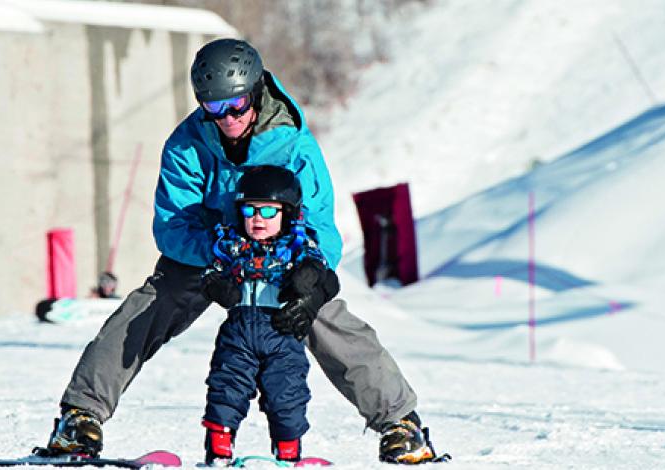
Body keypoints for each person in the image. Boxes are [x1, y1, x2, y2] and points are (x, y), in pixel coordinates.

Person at [41, 38, 447, 464]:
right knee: (148, 306)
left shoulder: (294, 147)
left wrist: (311, 270)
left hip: (283, 256)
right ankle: (79, 417)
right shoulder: (186, 146)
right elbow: (173, 227)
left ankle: (402, 424)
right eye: (214, 109)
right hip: (213, 257)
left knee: (327, 317)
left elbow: (322, 225)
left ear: (254, 93)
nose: (227, 118)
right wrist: (221, 253)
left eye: (235, 106)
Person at [201, 166, 335, 465]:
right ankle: (219, 446)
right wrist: (216, 285)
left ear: (287, 214)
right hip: (238, 333)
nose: (257, 218)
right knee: (227, 385)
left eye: (268, 212)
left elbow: (322, 270)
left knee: (287, 392)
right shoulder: (233, 246)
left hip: (282, 332)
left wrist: (308, 276)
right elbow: (213, 269)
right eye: (249, 210)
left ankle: (288, 450)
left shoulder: (297, 248)